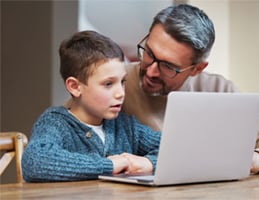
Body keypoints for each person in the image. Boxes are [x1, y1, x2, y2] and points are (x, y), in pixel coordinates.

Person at [122, 4, 259, 174]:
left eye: (168, 66)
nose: (151, 70)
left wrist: (255, 160)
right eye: (149, 53)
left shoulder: (217, 89)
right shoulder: (113, 82)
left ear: (197, 69)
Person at [22, 30, 161, 182]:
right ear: (75, 87)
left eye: (122, 82)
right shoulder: (56, 123)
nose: (120, 93)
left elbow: (175, 147)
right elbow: (35, 161)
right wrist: (108, 166)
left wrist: (149, 163)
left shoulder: (126, 126)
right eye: (108, 84)